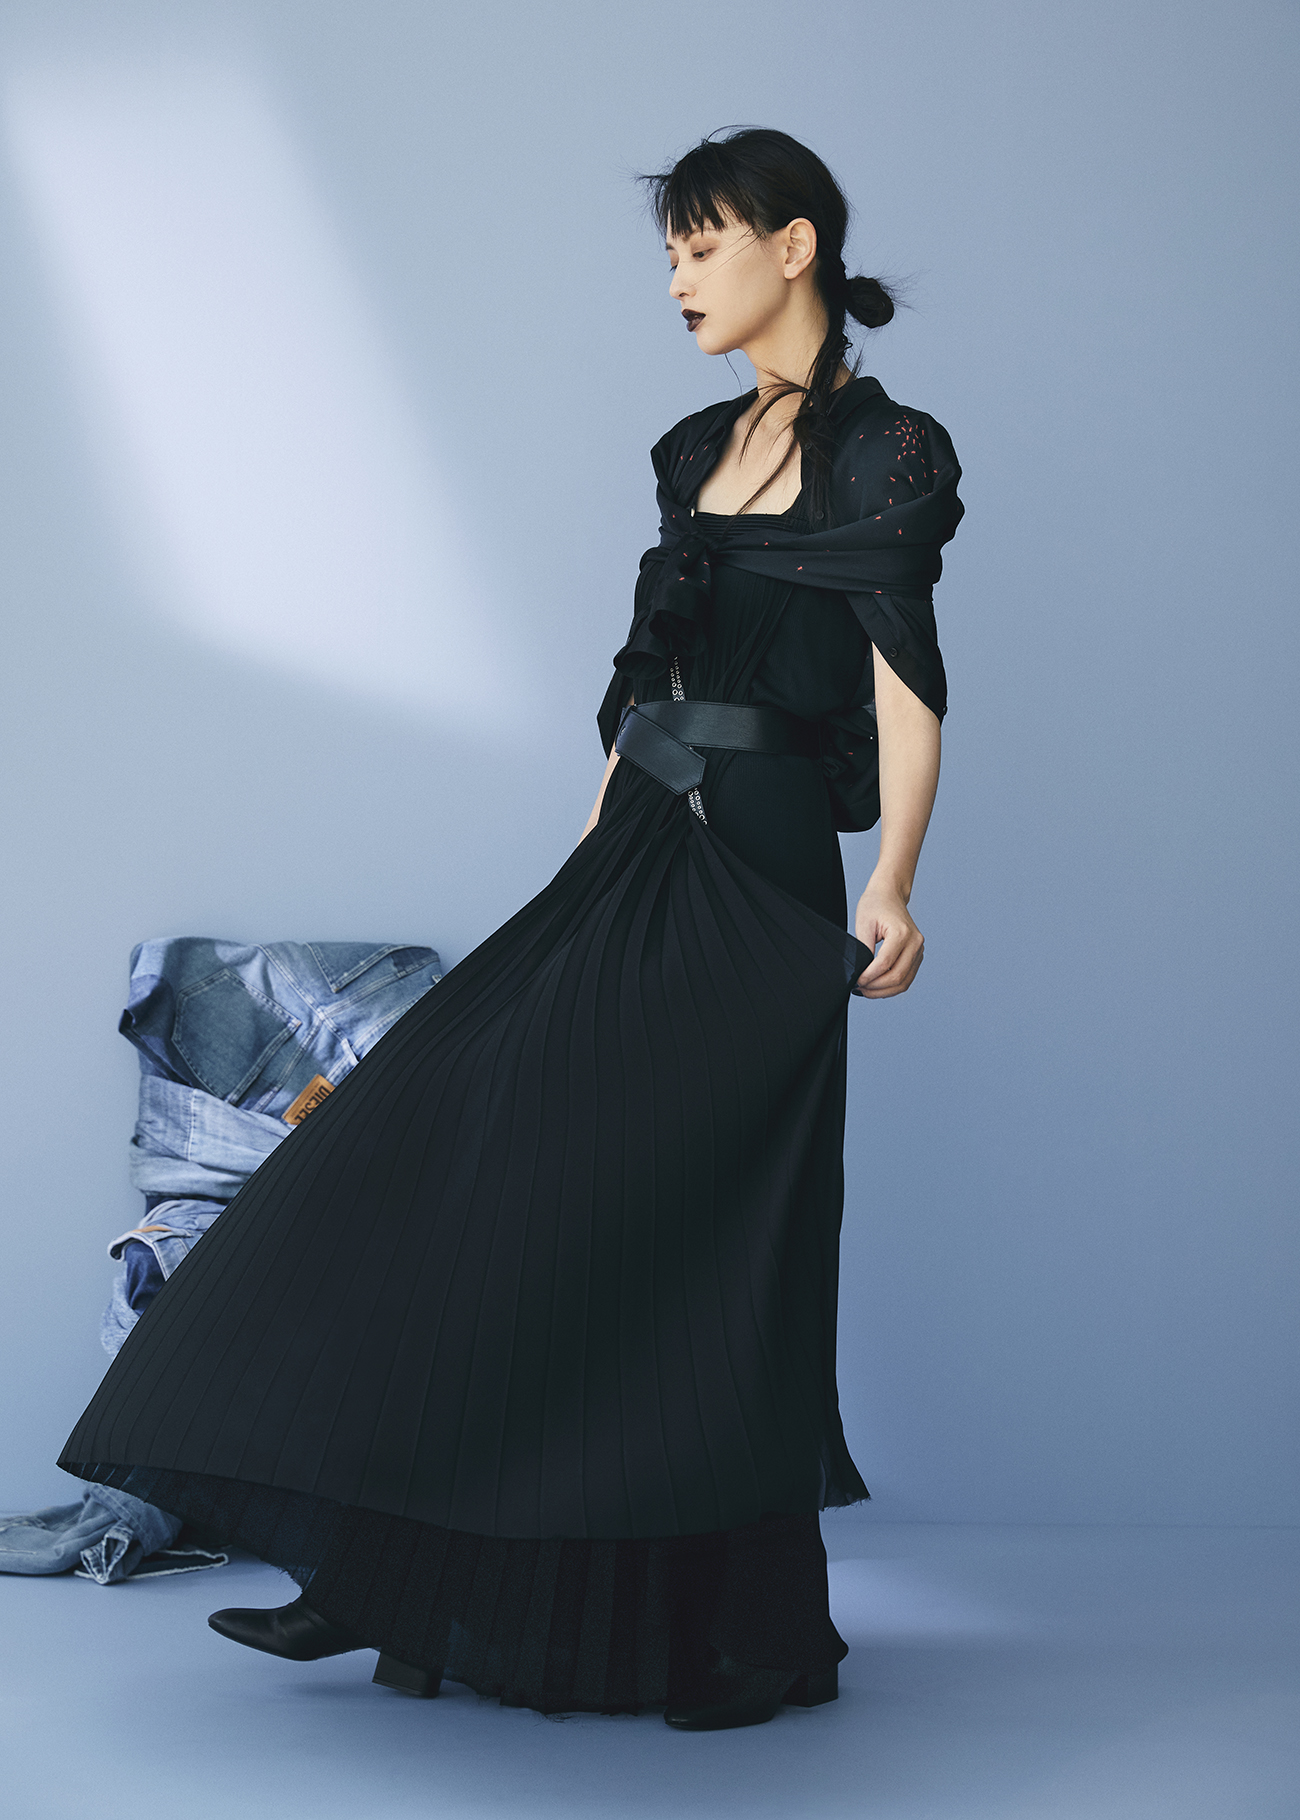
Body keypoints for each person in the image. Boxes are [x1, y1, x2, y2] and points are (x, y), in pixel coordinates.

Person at [59, 127, 963, 1731]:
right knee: (463, 1163)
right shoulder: (694, 448)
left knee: (702, 1245)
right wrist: (595, 845)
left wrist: (893, 878)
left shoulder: (889, 451)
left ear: (797, 246)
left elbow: (904, 677)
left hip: (759, 874)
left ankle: (734, 1637)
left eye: (703, 244)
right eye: (670, 252)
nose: (678, 277)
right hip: (638, 846)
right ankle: (389, 1571)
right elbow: (648, 675)